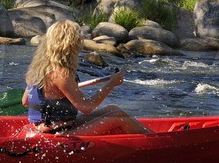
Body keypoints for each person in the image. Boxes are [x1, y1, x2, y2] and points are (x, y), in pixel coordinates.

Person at [22, 20, 152, 135]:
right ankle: (157, 142)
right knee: (118, 116)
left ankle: (152, 137)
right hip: (59, 133)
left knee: (113, 109)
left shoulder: (38, 68)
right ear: (71, 45)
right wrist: (110, 84)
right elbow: (86, 107)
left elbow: (26, 101)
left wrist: (57, 94)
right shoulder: (60, 73)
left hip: (48, 127)